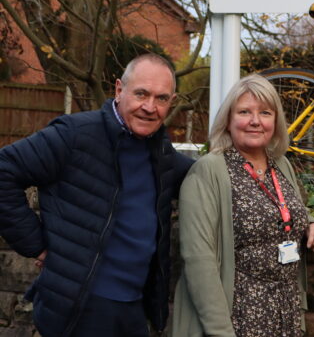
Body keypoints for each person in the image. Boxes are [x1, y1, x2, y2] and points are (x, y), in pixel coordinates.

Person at [0, 53, 194, 337]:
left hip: (136, 310)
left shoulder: (162, 154)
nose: (150, 107)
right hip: (79, 308)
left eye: (161, 98)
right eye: (141, 93)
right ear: (119, 89)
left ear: (172, 102)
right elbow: (4, 170)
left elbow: (209, 179)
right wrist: (36, 244)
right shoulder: (75, 135)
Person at [171, 74, 314, 337]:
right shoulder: (209, 171)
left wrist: (313, 224)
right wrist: (221, 331)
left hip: (285, 316)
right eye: (244, 112)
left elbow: (284, 213)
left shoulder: (280, 165)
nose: (255, 121)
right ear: (229, 120)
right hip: (237, 319)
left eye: (265, 113)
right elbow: (199, 259)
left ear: (275, 121)